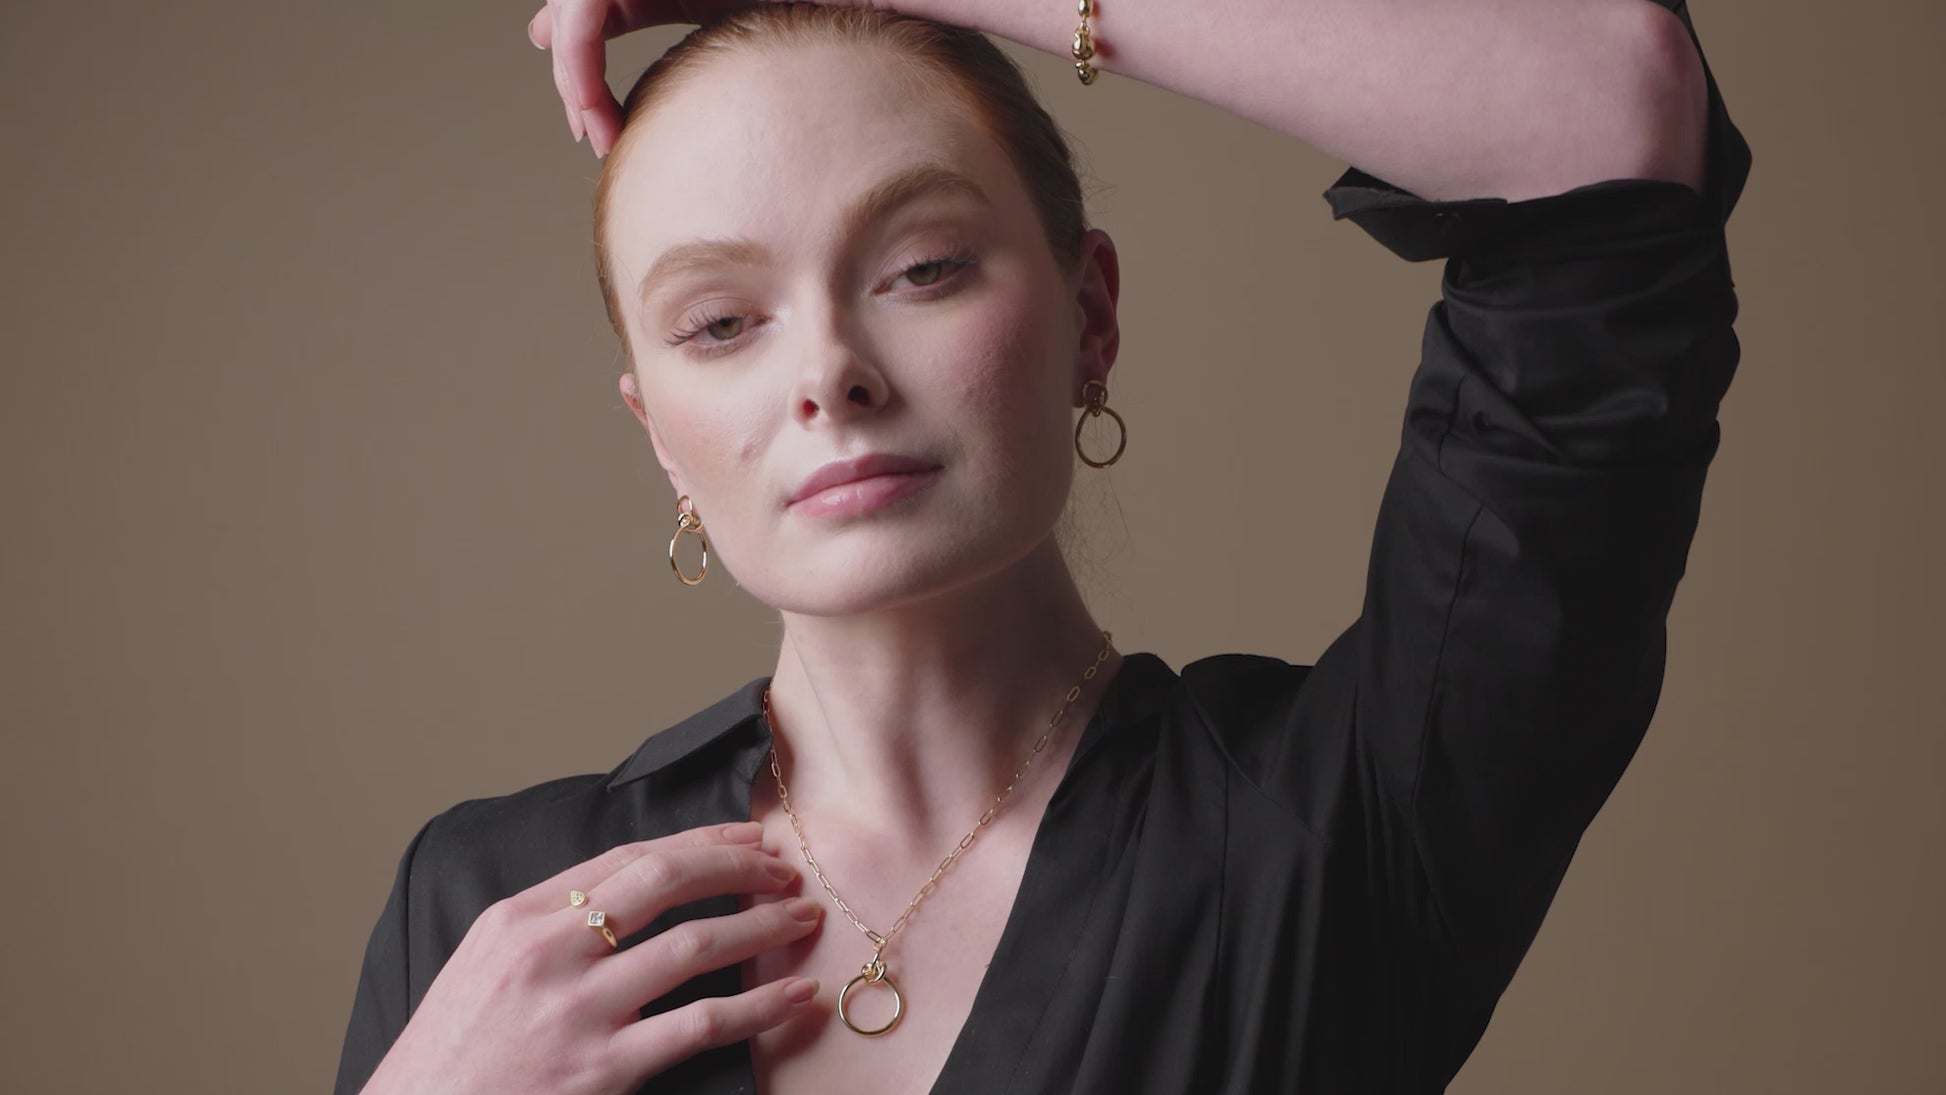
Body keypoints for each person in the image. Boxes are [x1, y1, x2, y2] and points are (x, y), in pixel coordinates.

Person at [334, 1, 1752, 1092]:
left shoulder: (1337, 829)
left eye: (921, 268)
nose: (827, 371)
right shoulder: (496, 909)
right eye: (719, 323)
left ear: (1091, 317)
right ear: (659, 434)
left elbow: (1610, 99)